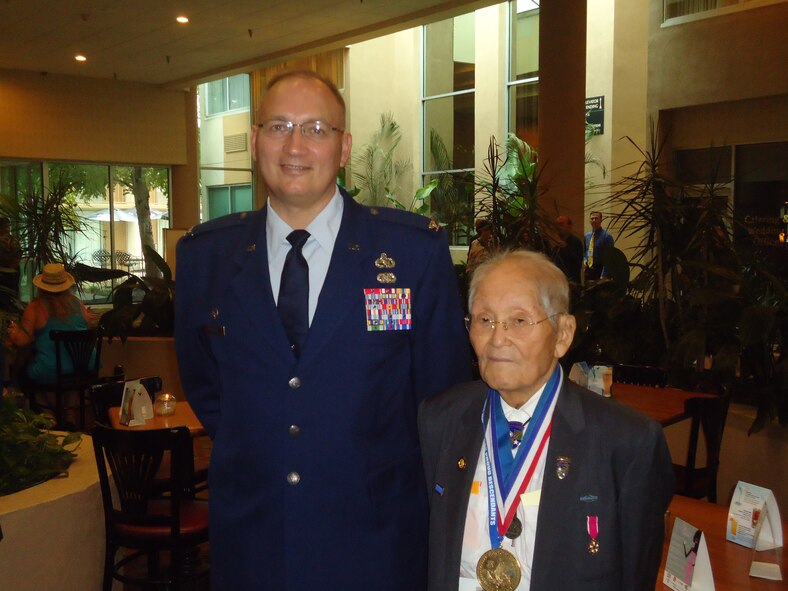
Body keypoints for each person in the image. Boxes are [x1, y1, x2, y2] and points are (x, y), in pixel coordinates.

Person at [174, 69, 471, 591]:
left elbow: (441, 400)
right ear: (256, 140)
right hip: (253, 545)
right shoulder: (206, 258)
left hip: (376, 547)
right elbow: (207, 390)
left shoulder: (411, 253)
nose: (294, 145)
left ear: (344, 146)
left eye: (316, 128)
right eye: (278, 126)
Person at [418, 250, 674, 591]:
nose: (497, 338)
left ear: (563, 334)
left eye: (519, 321)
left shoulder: (626, 442)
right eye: (484, 320)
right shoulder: (441, 419)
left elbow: (635, 577)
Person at [6, 263, 93, 421]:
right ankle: (69, 413)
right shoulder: (78, 304)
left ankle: (47, 414)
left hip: (51, 371)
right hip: (83, 368)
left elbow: (21, 340)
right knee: (64, 370)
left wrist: (12, 331)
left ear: (42, 286)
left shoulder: (36, 307)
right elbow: (87, 325)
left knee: (24, 370)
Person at [583, 210, 615, 280]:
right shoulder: (587, 236)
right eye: (592, 218)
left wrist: (604, 274)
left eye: (596, 218)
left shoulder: (607, 236)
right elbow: (585, 251)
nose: (594, 220)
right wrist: (585, 259)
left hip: (600, 269)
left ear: (601, 220)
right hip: (589, 270)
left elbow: (609, 257)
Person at [553, 215, 583, 283]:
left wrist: (565, 248)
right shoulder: (557, 245)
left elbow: (575, 264)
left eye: (561, 224)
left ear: (569, 226)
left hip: (570, 283)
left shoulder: (575, 242)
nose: (558, 227)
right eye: (557, 224)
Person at [0, 217, 21, 295]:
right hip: (2, 273)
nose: (7, 229)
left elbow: (18, 255)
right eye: (4, 227)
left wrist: (13, 247)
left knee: (14, 293)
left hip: (13, 273)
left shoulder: (12, 240)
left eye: (8, 226)